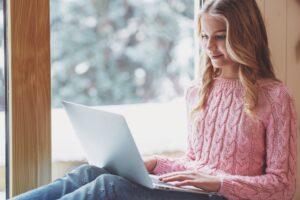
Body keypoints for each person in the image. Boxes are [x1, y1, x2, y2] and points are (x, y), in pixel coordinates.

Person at [14, 0, 297, 199]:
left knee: (109, 188)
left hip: (223, 198)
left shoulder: (274, 96)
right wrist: (155, 164)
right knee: (89, 173)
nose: (209, 47)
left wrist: (219, 183)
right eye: (204, 36)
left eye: (220, 37)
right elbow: (197, 162)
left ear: (245, 35)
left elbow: (282, 186)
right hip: (197, 192)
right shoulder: (198, 91)